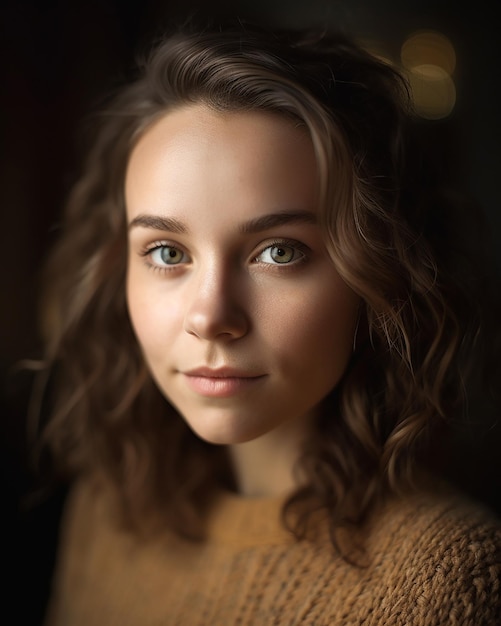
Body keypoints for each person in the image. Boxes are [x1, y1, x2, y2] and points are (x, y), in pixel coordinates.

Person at [34, 19, 500, 625]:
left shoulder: (448, 578)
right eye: (167, 253)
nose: (211, 318)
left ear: (382, 272)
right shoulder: (108, 507)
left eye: (279, 251)